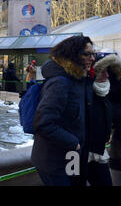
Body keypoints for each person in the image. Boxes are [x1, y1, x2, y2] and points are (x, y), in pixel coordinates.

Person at [31, 36, 95, 186]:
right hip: (53, 160)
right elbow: (43, 123)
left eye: (93, 54)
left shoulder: (78, 79)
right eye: (87, 54)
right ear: (72, 55)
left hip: (72, 156)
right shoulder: (60, 82)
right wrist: (74, 143)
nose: (92, 58)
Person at [85, 54, 121, 186]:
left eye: (108, 72)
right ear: (93, 72)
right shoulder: (82, 92)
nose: (107, 75)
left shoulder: (108, 92)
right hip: (75, 153)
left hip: (99, 152)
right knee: (74, 182)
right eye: (102, 71)